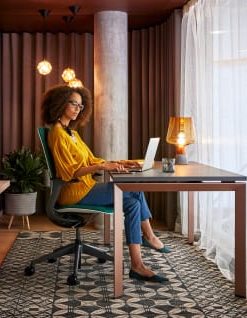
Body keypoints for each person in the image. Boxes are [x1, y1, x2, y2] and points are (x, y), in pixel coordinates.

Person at [41, 84, 170, 282]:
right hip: (75, 191)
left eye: (80, 106)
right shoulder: (57, 134)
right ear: (60, 104)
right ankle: (149, 238)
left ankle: (138, 265)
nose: (77, 109)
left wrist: (118, 163)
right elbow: (70, 172)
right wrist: (102, 168)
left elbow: (91, 160)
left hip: (86, 187)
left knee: (133, 203)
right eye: (73, 104)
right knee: (133, 190)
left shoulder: (71, 133)